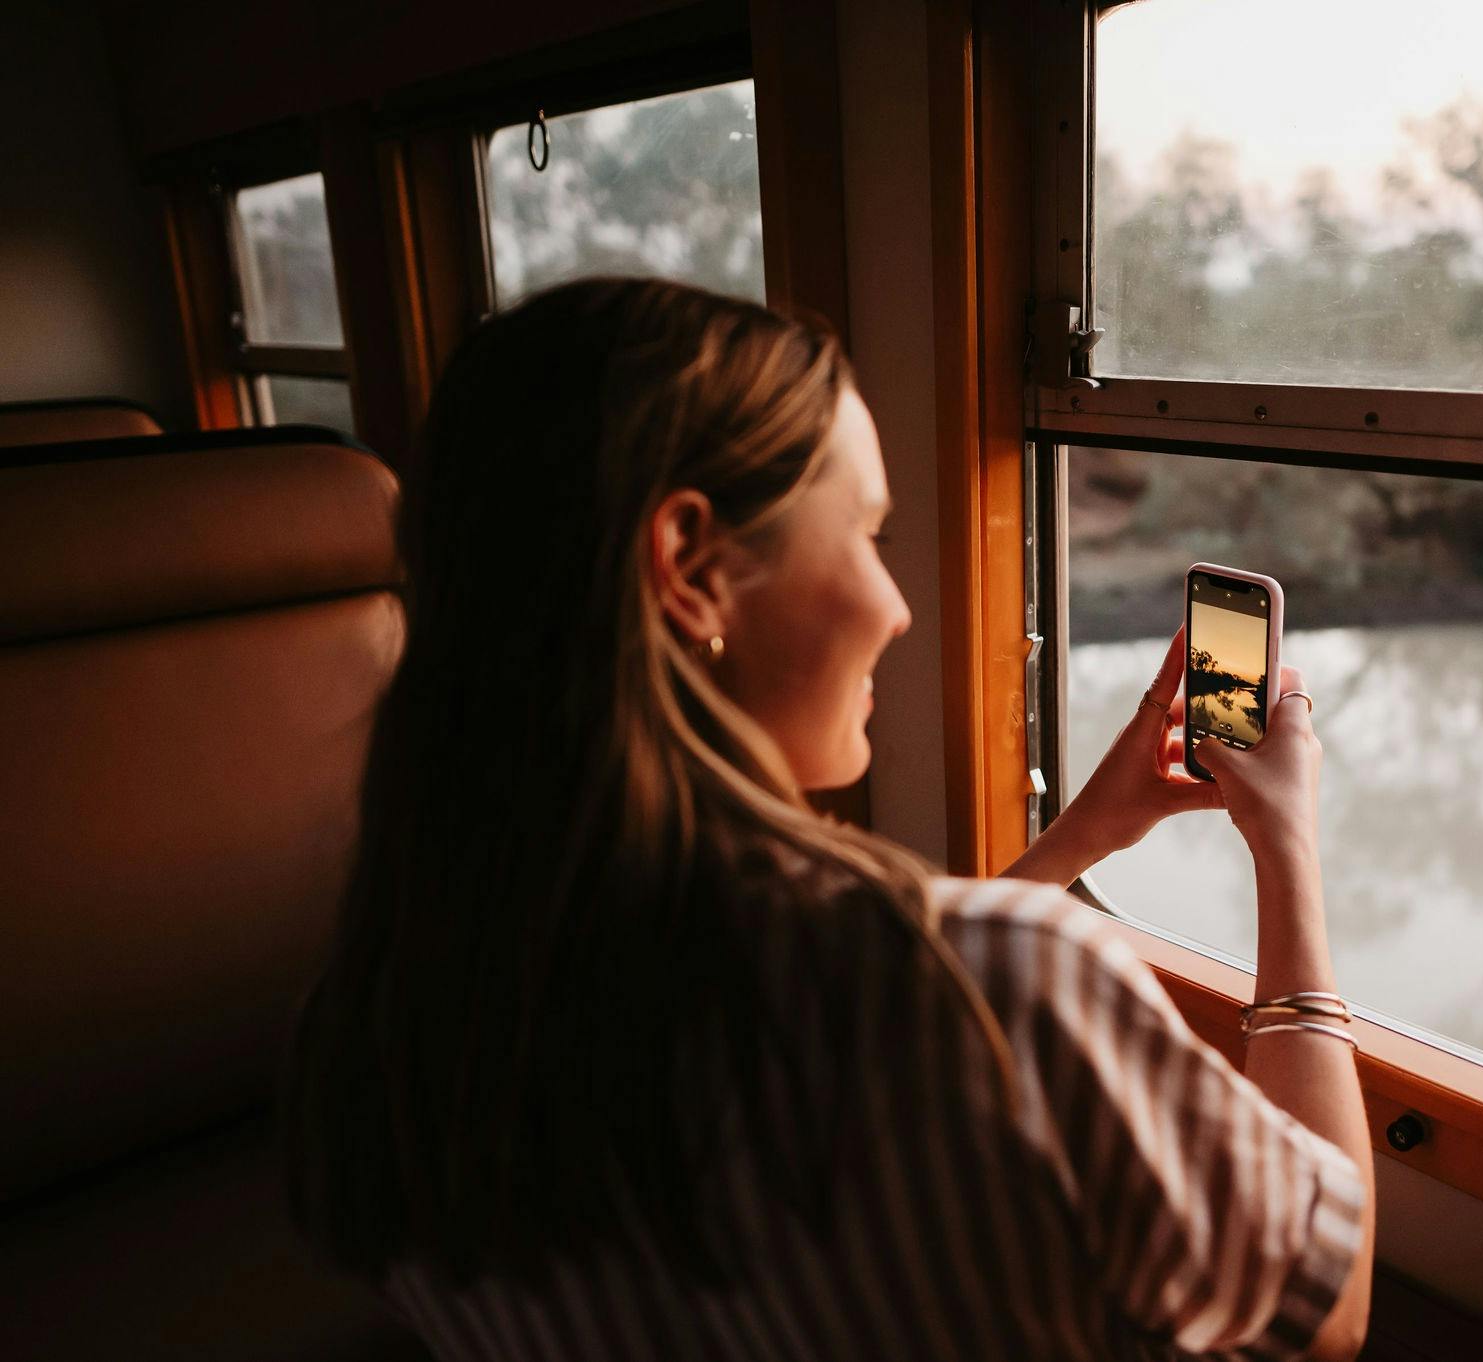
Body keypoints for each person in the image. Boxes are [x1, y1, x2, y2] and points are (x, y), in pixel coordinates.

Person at [286, 279, 1375, 1361]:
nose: (897, 606)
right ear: (691, 567)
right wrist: (1286, 858)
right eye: (867, 533)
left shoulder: (396, 1003)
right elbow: (1326, 1311)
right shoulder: (1021, 983)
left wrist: (1081, 837)